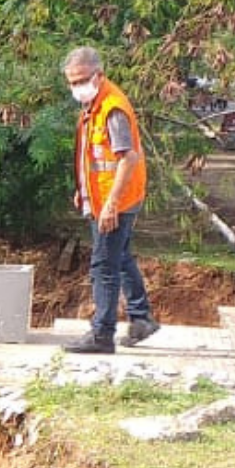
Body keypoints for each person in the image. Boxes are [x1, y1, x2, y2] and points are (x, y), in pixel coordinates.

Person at [63, 47, 161, 354]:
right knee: (119, 257)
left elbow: (127, 158)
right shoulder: (95, 105)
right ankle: (141, 317)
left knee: (103, 264)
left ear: (98, 75)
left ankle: (102, 334)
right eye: (71, 82)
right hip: (103, 197)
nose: (76, 87)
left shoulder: (112, 107)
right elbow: (94, 157)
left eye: (81, 79)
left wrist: (111, 204)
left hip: (116, 200)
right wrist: (83, 188)